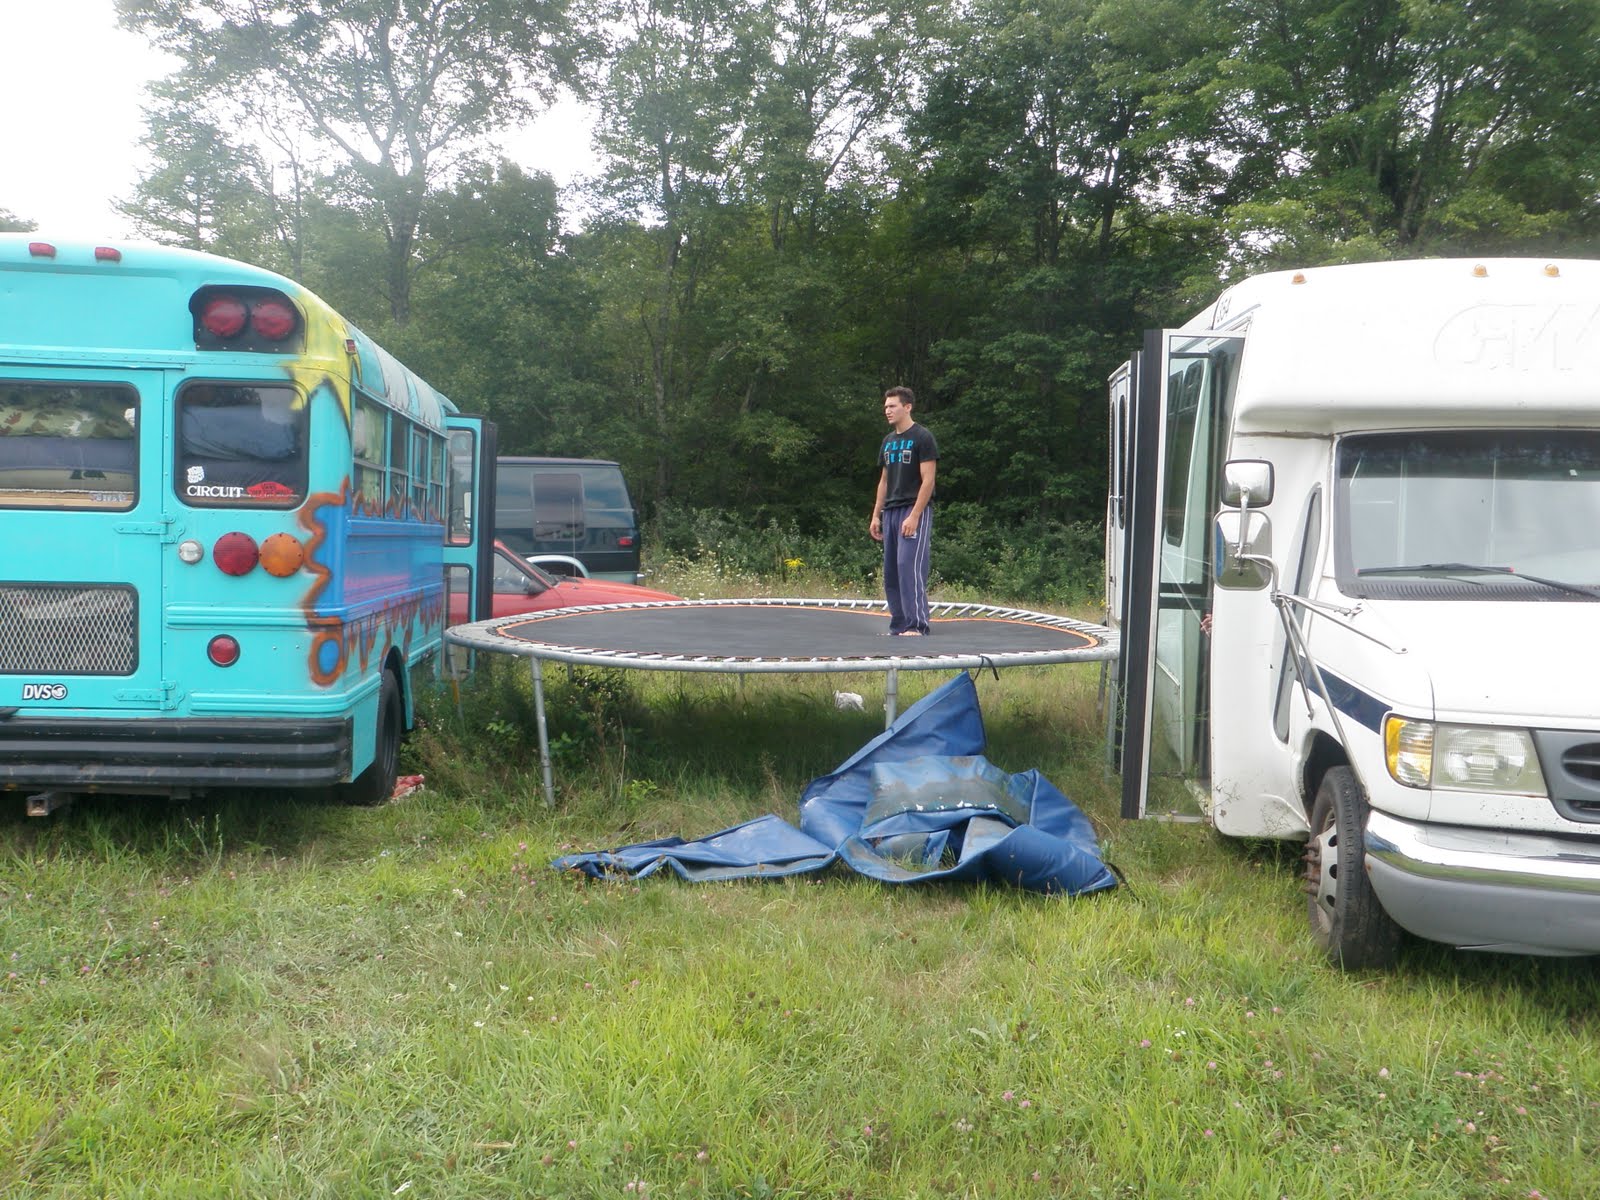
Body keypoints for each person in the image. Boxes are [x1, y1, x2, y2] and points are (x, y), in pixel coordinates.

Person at [869, 385, 938, 635]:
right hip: (891, 510)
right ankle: (899, 623)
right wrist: (877, 514)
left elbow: (928, 480)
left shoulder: (922, 437)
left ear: (907, 407)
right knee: (892, 570)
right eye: (886, 406)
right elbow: (884, 481)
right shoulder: (888, 442)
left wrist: (915, 515)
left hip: (913, 508)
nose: (887, 410)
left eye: (892, 406)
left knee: (908, 565)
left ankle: (917, 624)